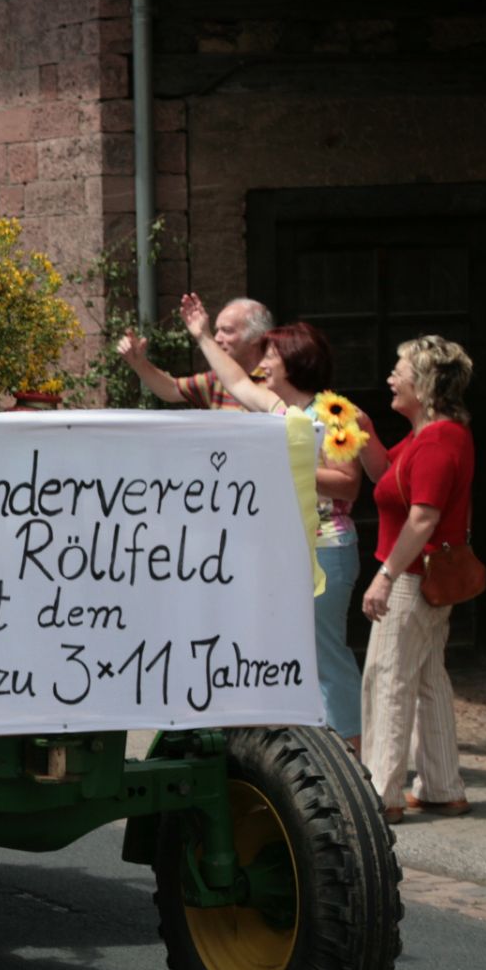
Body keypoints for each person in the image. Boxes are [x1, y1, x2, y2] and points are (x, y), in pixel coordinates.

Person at [167, 298, 365, 748]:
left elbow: (348, 485)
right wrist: (200, 334)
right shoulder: (279, 409)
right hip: (288, 551)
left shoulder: (336, 414)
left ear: (295, 363)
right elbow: (234, 381)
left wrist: (285, 463)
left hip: (327, 550)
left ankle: (354, 757)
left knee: (325, 655)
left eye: (272, 356)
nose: (264, 364)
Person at [356, 335, 476, 824]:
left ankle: (379, 794)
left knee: (386, 678)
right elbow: (385, 473)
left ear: (423, 383)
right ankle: (442, 786)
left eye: (399, 369)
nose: (390, 377)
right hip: (423, 577)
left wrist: (383, 577)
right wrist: (362, 432)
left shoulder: (438, 441)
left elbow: (423, 520)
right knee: (428, 679)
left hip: (410, 577)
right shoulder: (429, 436)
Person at [118, 296, 273, 410]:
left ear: (256, 337)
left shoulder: (279, 379)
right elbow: (171, 389)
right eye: (216, 330)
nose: (217, 338)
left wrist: (203, 336)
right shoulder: (216, 379)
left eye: (226, 331)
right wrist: (138, 364)